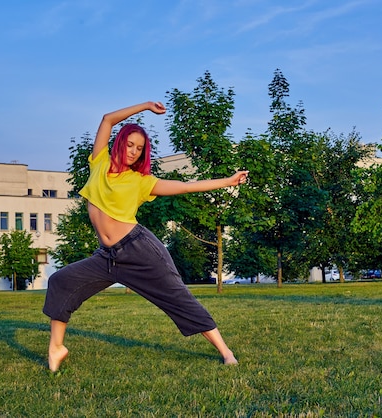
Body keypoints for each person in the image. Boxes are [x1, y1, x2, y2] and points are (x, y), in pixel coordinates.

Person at [43, 101, 247, 372]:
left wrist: (227, 181)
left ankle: (226, 351)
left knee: (177, 297)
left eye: (139, 149)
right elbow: (107, 120)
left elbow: (185, 186)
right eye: (130, 145)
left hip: (139, 251)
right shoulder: (99, 162)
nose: (133, 152)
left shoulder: (140, 181)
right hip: (107, 256)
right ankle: (57, 348)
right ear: (121, 143)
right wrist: (145, 107)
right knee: (60, 281)